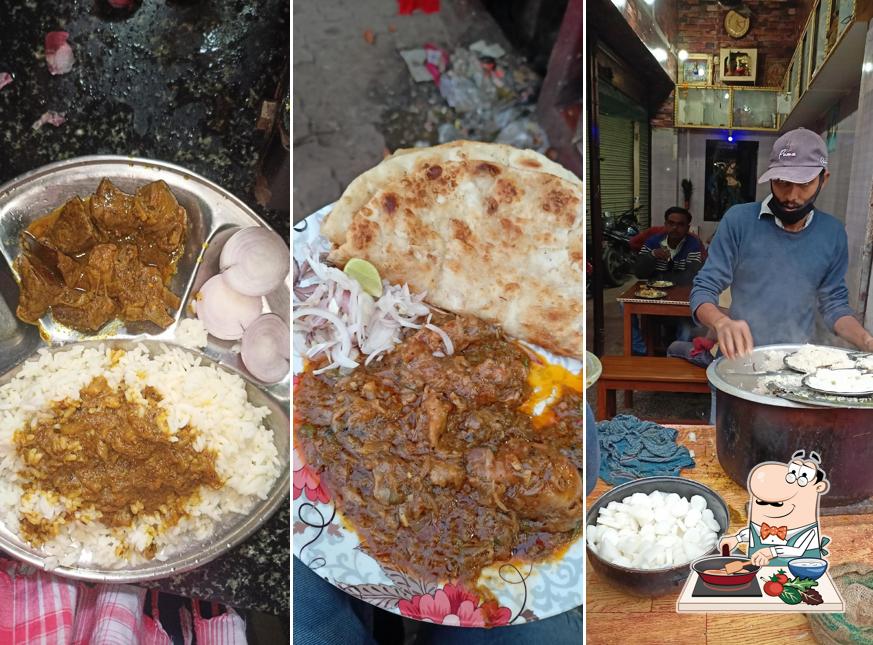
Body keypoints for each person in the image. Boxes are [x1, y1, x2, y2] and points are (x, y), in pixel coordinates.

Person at [690, 127, 873, 359]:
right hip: (739, 358)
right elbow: (703, 288)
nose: (791, 196)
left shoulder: (833, 233)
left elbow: (834, 305)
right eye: (783, 182)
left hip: (798, 362)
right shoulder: (739, 221)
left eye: (804, 184)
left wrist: (866, 340)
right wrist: (721, 322)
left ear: (823, 180)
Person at [718, 450, 830, 567]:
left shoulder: (807, 531)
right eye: (761, 501)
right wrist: (736, 538)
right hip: (758, 575)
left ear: (818, 487)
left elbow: (798, 550)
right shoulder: (762, 525)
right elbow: (754, 532)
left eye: (777, 503)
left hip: (800, 576)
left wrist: (772, 552)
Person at [634, 206, 704, 286]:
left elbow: (692, 277)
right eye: (671, 223)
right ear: (665, 225)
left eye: (680, 224)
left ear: (687, 228)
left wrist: (660, 277)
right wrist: (652, 255)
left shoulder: (692, 244)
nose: (675, 227)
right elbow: (639, 274)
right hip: (653, 291)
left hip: (679, 291)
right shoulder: (652, 241)